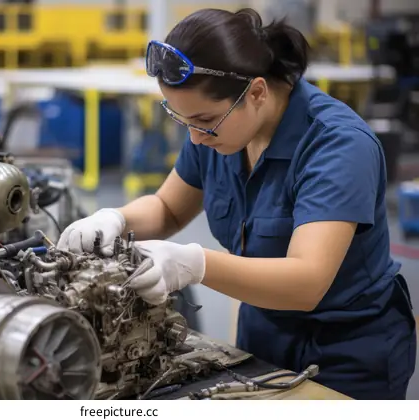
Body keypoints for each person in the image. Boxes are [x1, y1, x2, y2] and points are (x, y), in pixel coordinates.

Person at [57, 7, 417, 400]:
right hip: (261, 332)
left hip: (347, 349)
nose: (195, 138)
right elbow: (169, 208)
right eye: (182, 120)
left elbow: (306, 282)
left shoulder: (337, 145)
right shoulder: (220, 129)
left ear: (257, 92)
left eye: (203, 120)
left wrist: (195, 264)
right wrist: (115, 217)